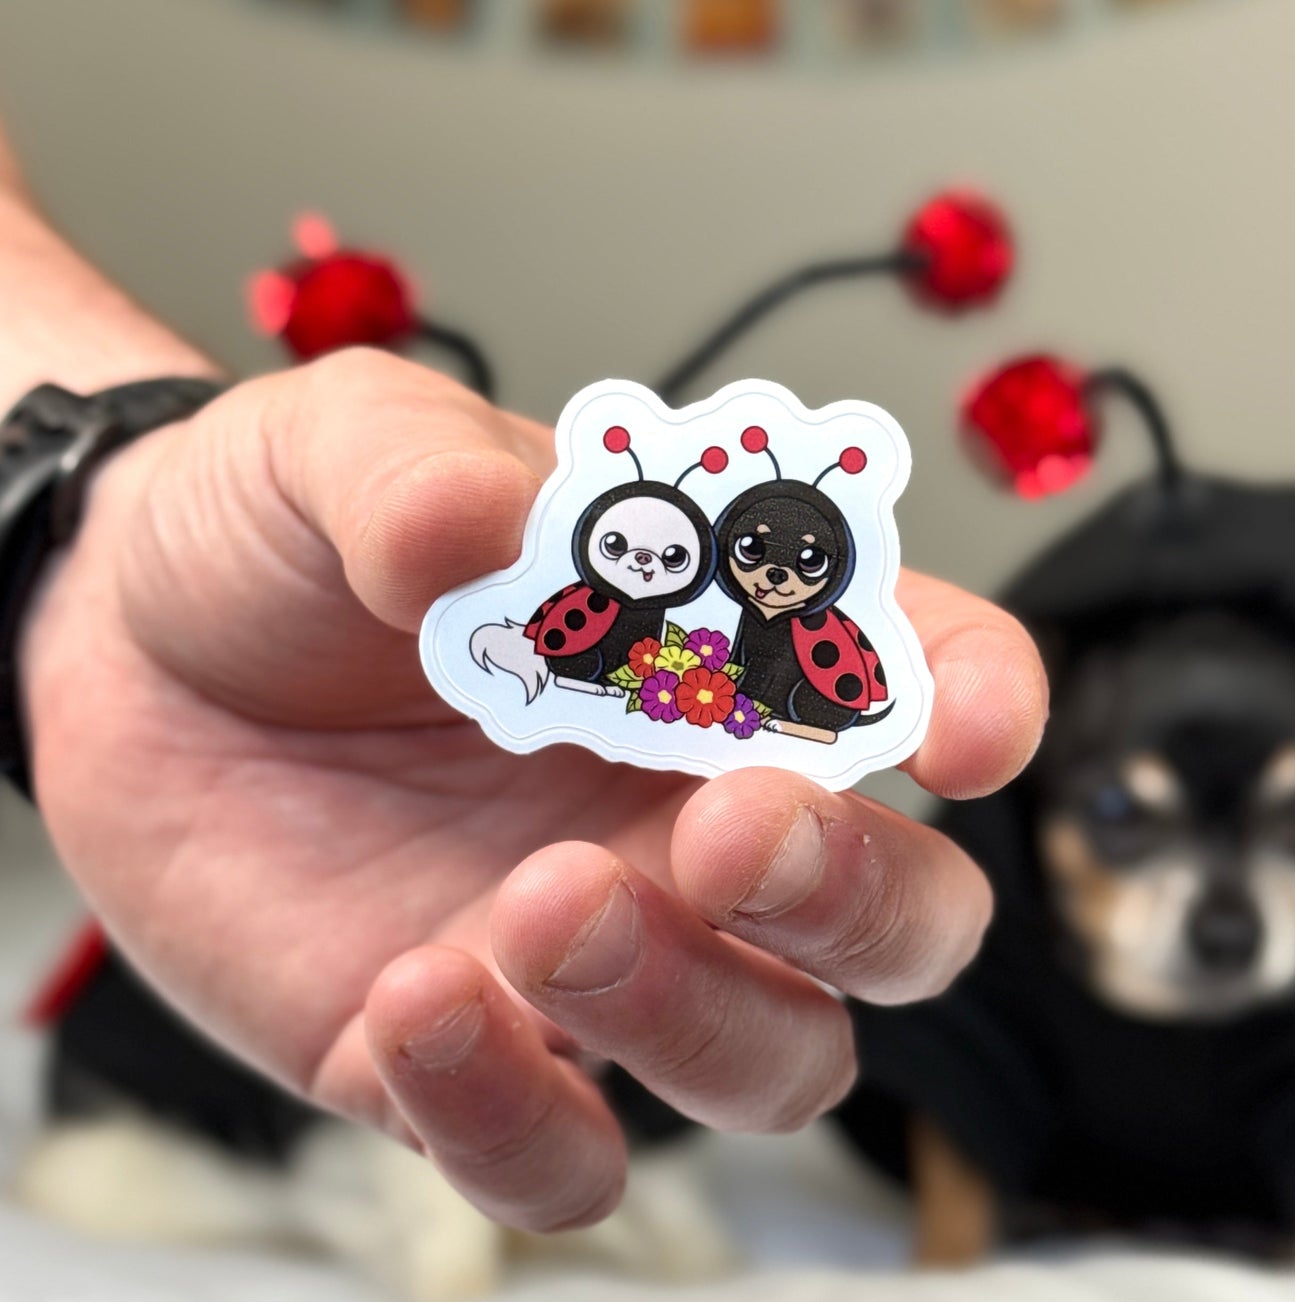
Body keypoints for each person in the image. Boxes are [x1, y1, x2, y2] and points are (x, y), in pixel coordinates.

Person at [0, 123, 1046, 1234]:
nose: (763, 581)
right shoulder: (574, 611)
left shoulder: (733, 642)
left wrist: (77, 545)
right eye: (741, 558)